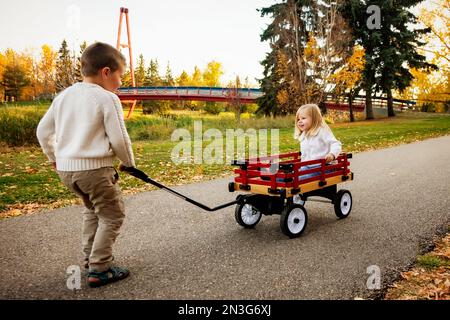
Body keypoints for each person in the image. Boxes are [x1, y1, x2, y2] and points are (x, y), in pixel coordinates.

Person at [36, 42, 135, 288]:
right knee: (113, 215)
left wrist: (54, 158)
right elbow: (119, 138)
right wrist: (129, 163)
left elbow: (42, 131)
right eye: (119, 75)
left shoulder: (64, 96)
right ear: (105, 72)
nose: (120, 82)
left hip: (67, 172)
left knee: (93, 210)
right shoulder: (107, 98)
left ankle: (91, 259)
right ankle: (100, 268)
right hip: (95, 170)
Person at [293, 104, 342, 204]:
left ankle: (289, 181)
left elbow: (336, 143)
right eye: (298, 119)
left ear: (314, 118)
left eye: (303, 118)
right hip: (307, 167)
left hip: (322, 168)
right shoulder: (304, 134)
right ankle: (277, 177)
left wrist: (332, 155)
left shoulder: (321, 131)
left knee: (299, 178)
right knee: (293, 175)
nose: (300, 121)